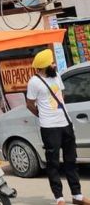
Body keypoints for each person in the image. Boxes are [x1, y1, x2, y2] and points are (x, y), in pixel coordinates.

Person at [26, 49, 89, 205]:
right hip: (49, 127)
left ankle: (77, 195)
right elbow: (29, 104)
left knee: (71, 160)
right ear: (44, 66)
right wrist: (43, 115)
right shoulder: (34, 82)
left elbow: (61, 96)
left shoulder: (56, 76)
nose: (54, 65)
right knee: (53, 163)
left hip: (65, 123)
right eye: (52, 63)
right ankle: (59, 198)